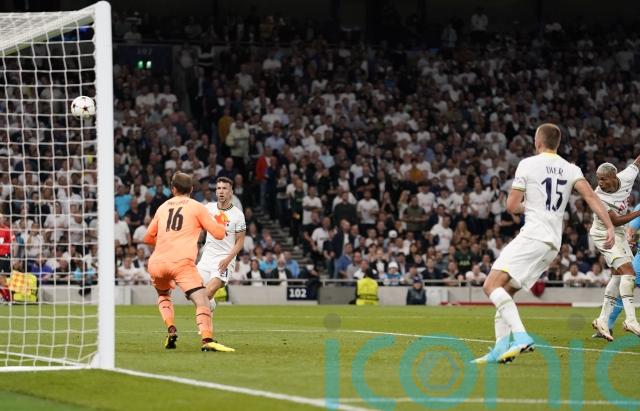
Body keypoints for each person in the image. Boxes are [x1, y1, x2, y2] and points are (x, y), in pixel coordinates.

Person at [473, 124, 615, 365]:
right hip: (552, 243)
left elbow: (511, 206)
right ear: (557, 143)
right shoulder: (571, 168)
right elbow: (591, 196)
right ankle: (499, 348)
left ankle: (521, 337)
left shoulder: (528, 164)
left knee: (491, 285)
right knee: (505, 291)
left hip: (533, 235)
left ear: (537, 141)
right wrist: (609, 226)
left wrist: (529, 206)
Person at [143, 172, 233, 352]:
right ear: (191, 189)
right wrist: (222, 222)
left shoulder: (162, 207)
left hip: (157, 263)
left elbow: (148, 238)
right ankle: (207, 340)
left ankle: (171, 328)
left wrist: (165, 242)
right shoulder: (197, 207)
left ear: (173, 189)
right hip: (182, 263)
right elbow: (219, 234)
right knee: (203, 301)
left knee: (164, 295)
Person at [590, 157, 640, 340]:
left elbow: (637, 162)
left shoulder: (626, 176)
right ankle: (631, 320)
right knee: (629, 273)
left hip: (618, 233)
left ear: (614, 176)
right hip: (603, 233)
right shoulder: (598, 196)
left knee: (619, 276)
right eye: (598, 179)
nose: (600, 183)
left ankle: (602, 320)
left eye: (603, 179)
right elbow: (616, 220)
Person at [197, 176, 246, 310]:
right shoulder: (208, 208)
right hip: (207, 258)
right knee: (193, 292)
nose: (221, 191)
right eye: (218, 188)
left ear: (231, 192)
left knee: (208, 291)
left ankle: (205, 317)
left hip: (225, 259)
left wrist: (228, 259)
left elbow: (240, 241)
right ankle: (211, 304)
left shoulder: (238, 215)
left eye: (225, 188)